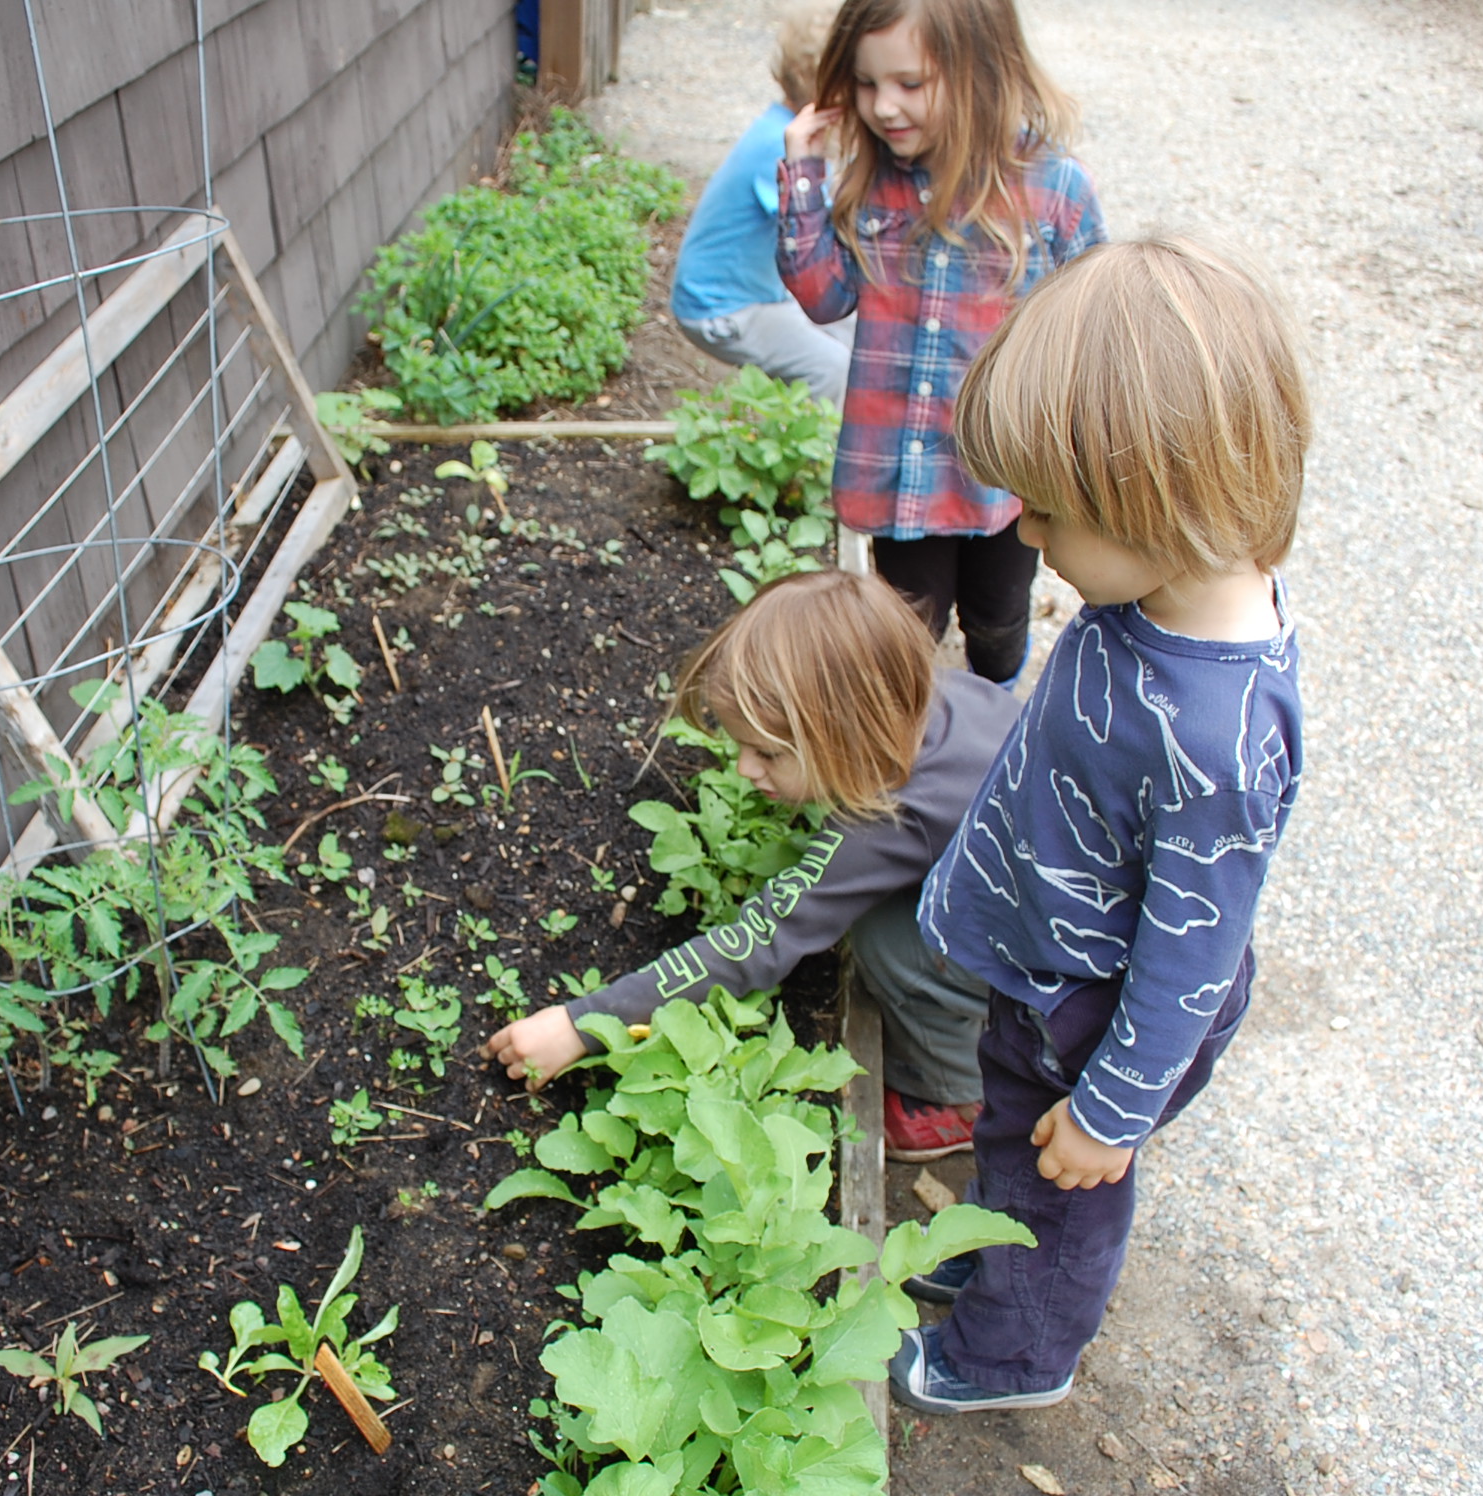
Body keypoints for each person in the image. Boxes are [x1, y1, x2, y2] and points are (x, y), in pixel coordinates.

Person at [891, 237, 1312, 1414]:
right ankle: (1000, 1254)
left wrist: (1114, 1110)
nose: (1024, 536)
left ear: (1160, 503)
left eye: (1051, 511)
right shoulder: (1157, 585)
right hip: (1051, 963)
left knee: (1061, 1180)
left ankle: (1010, 1355)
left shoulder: (1220, 738)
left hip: (1096, 1013)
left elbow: (1194, 956)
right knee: (1014, 1144)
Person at [480, 568, 1020, 1160]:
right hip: (1062, 910)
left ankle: (954, 1097)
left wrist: (582, 1023)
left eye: (766, 752)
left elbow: (757, 941)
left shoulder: (892, 818)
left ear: (851, 734)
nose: (743, 769)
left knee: (886, 943)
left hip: (1055, 982)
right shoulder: (938, 698)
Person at [777, 0, 1105, 682]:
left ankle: (995, 732)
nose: (883, 107)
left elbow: (1096, 329)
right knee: (904, 634)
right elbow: (821, 295)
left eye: (910, 84)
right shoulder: (872, 183)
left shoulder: (1052, 188)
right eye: (866, 85)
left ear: (982, 70)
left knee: (997, 618)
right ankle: (910, 757)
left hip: (1006, 478)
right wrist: (803, 168)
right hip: (903, 471)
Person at [670, 1, 856, 404]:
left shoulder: (780, 125)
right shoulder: (780, 144)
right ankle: (815, 451)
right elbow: (817, 237)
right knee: (829, 367)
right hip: (723, 309)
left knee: (851, 325)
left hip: (755, 293)